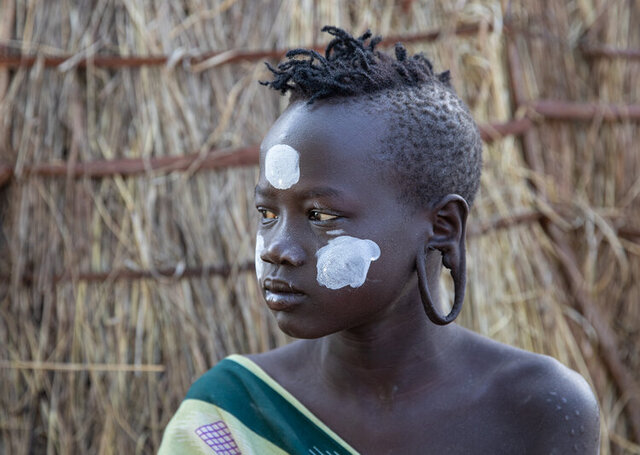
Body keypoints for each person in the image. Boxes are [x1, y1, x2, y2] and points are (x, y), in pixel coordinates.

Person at [159, 26, 600, 454]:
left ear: (443, 226)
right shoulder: (233, 419)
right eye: (267, 212)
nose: (277, 248)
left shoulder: (537, 408)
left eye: (320, 215)